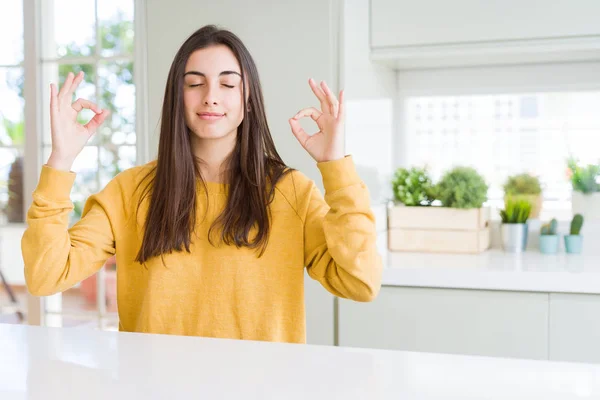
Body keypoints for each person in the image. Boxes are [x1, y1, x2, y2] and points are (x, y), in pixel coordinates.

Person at [21, 25, 382, 343]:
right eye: (195, 83)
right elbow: (46, 277)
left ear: (249, 100)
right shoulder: (129, 192)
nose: (211, 95)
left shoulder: (292, 193)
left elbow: (360, 282)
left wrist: (335, 167)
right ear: (177, 97)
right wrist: (61, 160)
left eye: (228, 83)